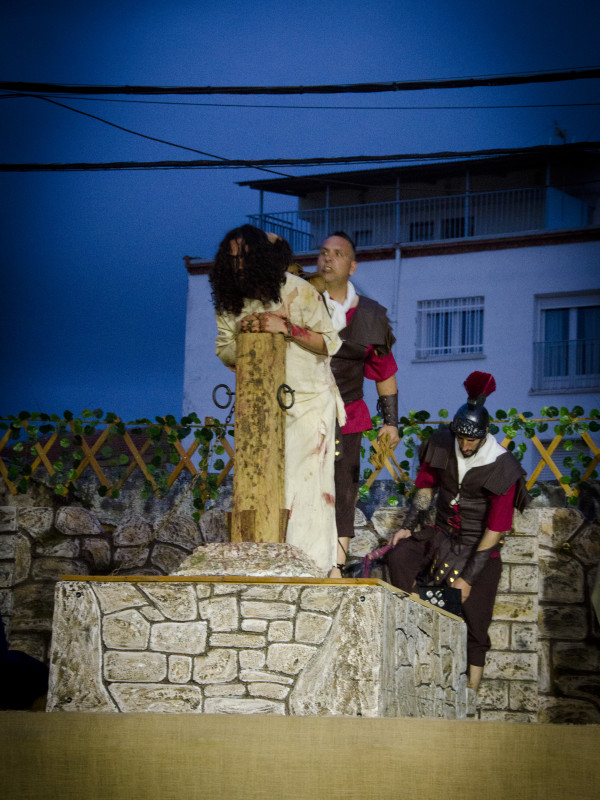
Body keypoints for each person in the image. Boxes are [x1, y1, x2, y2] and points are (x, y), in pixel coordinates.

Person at [210, 225, 345, 576]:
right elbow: (224, 349)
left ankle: (312, 565)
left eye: (245, 257)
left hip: (310, 400)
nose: (238, 265)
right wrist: (246, 333)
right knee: (263, 483)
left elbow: (330, 343)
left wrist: (285, 327)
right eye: (232, 258)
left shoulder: (297, 291)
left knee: (307, 484)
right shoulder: (230, 302)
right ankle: (267, 559)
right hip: (259, 405)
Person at [385, 371, 531, 692]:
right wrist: (408, 528)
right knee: (399, 557)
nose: (465, 445)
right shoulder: (441, 443)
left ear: (485, 434)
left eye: (471, 440)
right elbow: (425, 488)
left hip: (480, 549)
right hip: (439, 538)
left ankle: (471, 695)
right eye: (461, 438)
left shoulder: (503, 465)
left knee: (476, 623)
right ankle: (411, 623)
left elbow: (496, 529)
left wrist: (468, 577)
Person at [316, 232, 399, 576]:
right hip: (303, 412)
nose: (328, 259)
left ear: (352, 266)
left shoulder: (371, 314)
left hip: (348, 413)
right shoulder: (300, 301)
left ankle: (336, 563)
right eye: (323, 253)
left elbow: (383, 372)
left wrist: (391, 422)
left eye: (337, 254)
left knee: (343, 488)